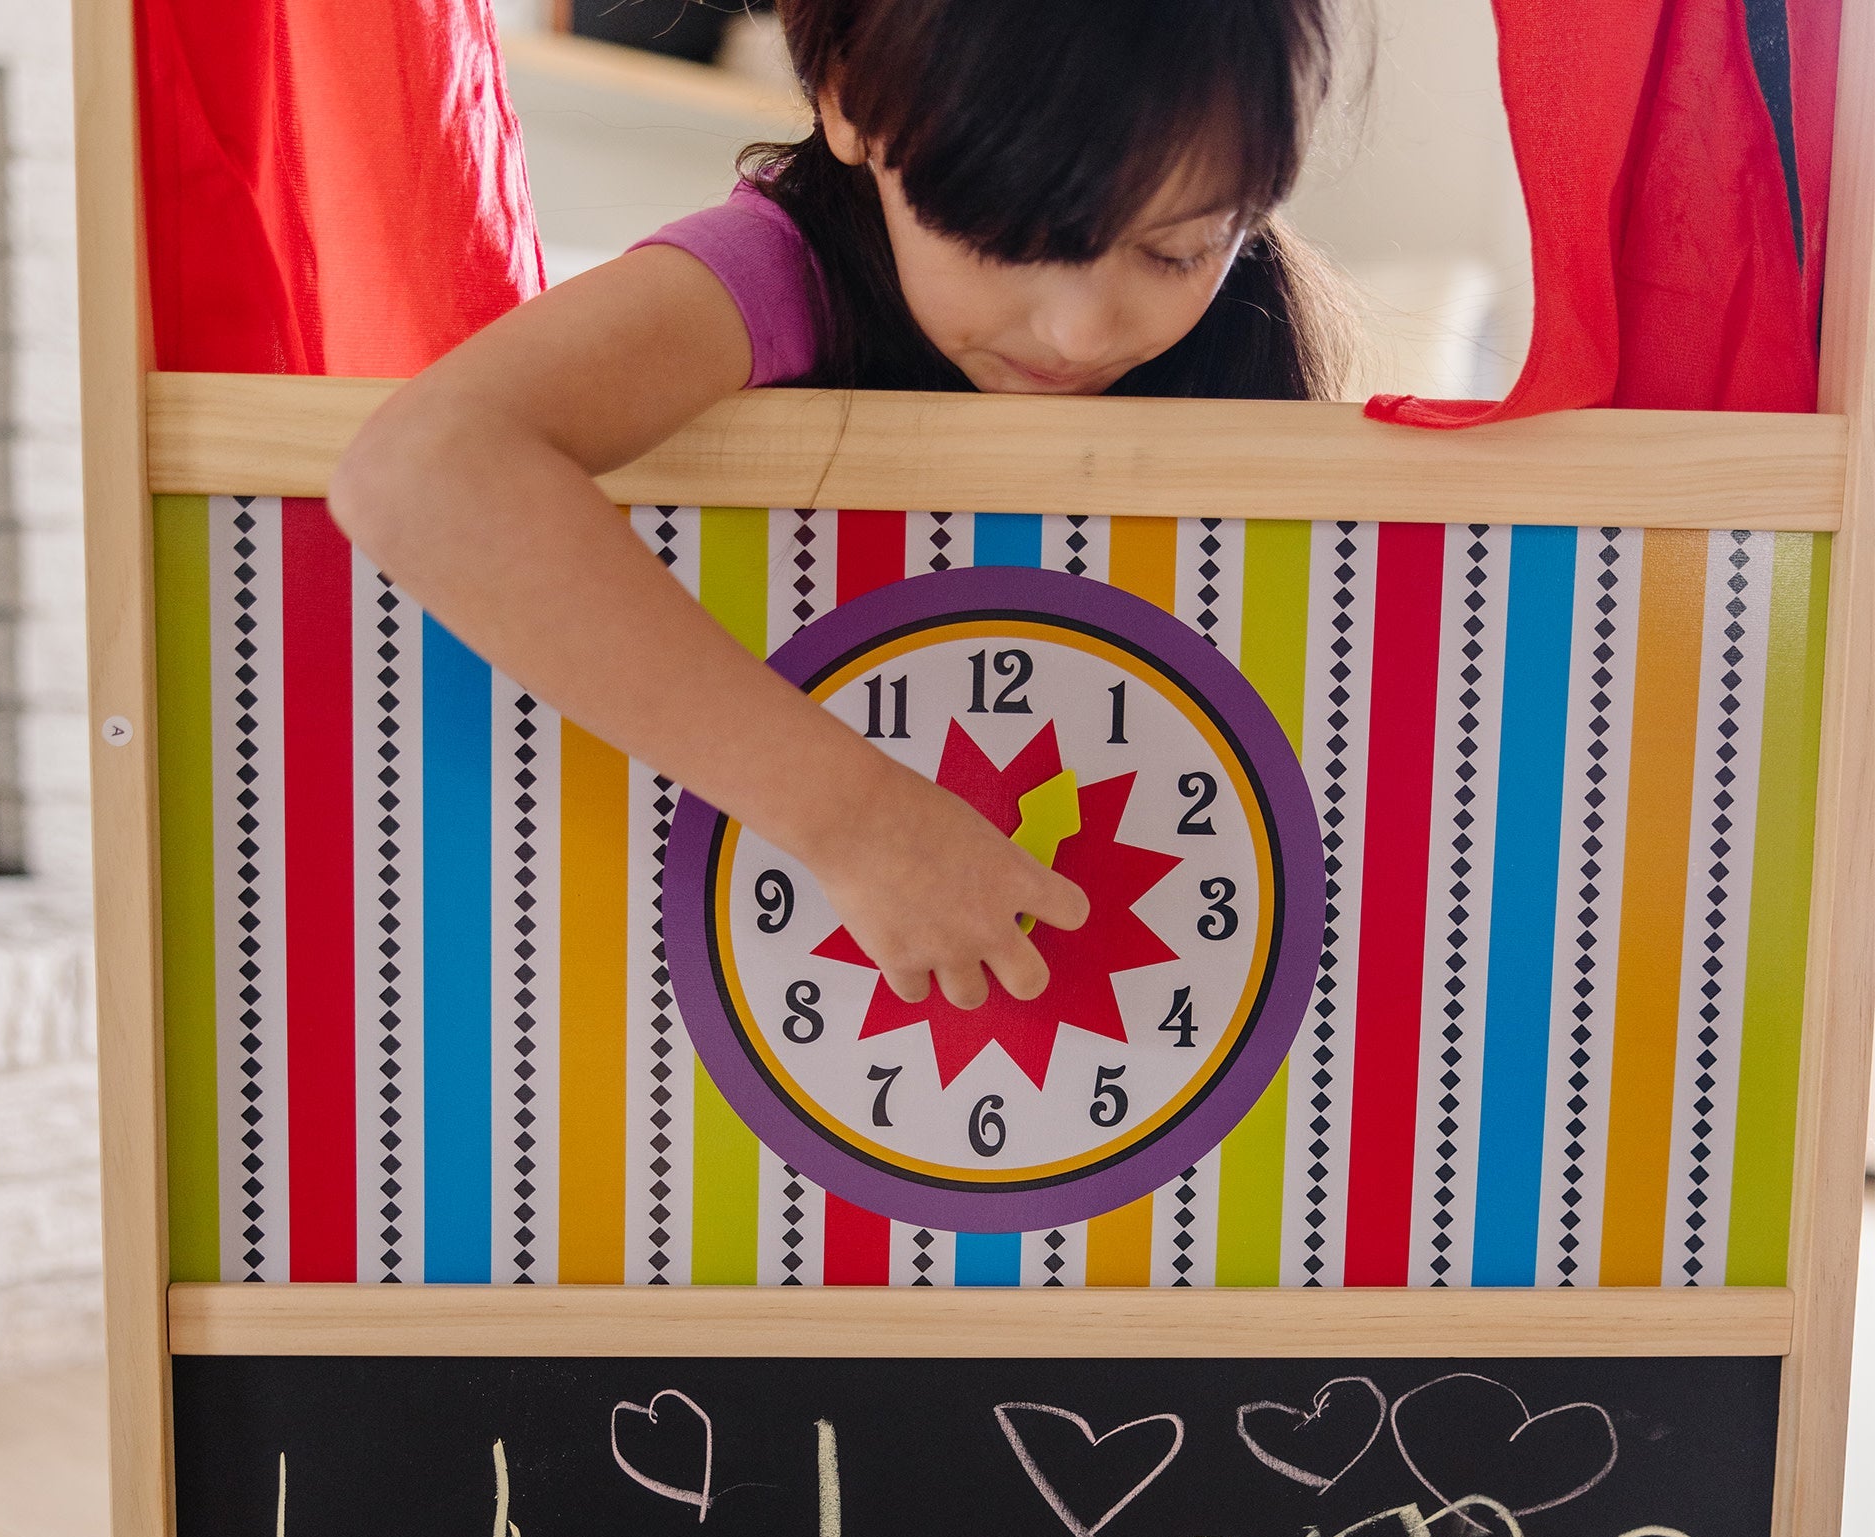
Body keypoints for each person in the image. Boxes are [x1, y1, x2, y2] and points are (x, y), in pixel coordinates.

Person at [330, 0, 1353, 1015]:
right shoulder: (780, 268)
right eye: (1009, 238)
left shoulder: (1254, 336)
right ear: (850, 99)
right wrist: (856, 819)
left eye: (1174, 252)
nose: (1079, 329)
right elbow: (422, 467)